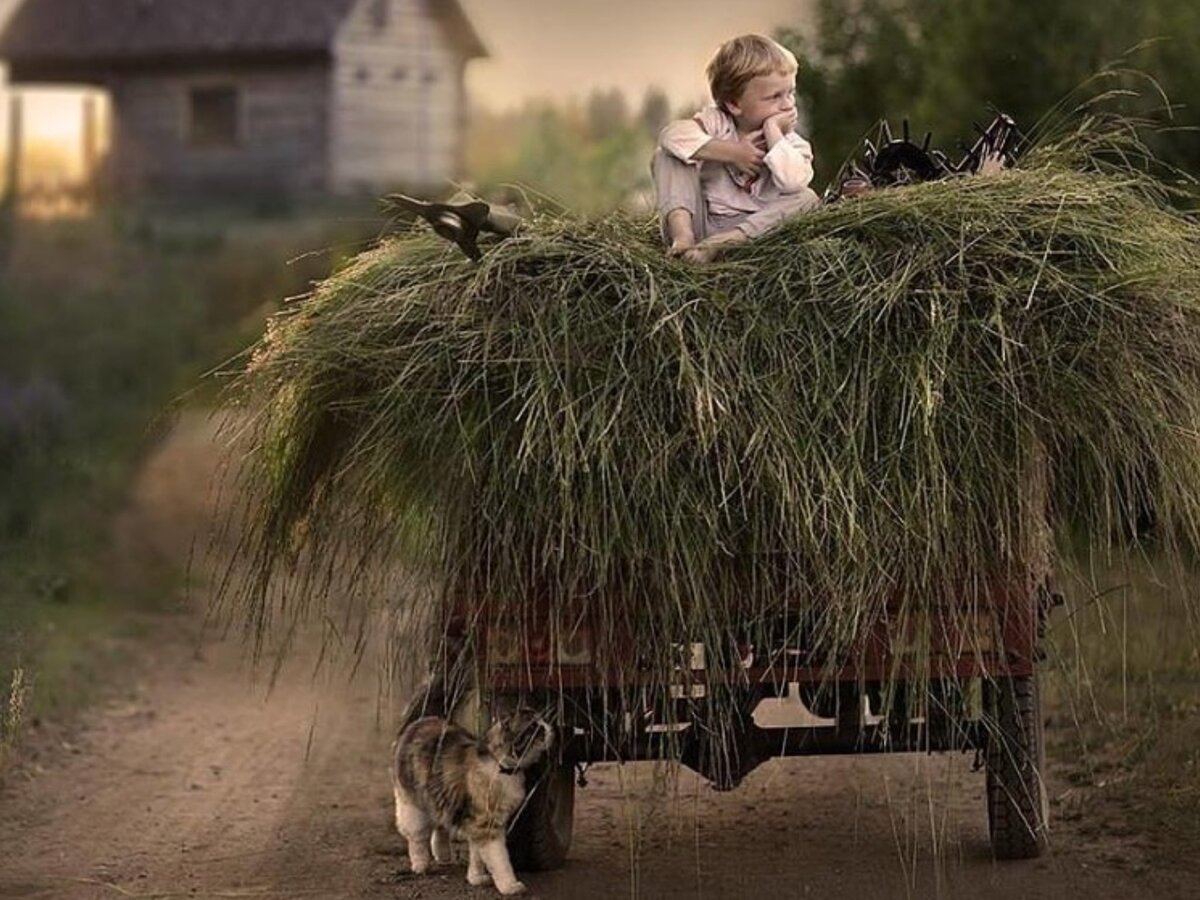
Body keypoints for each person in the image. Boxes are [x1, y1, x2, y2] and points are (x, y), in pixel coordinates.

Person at [654, 34, 820, 264]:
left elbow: (793, 183)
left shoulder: (791, 143)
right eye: (775, 97)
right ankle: (682, 238)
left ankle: (725, 243)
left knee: (807, 198)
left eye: (790, 92)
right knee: (667, 156)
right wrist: (734, 153)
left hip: (755, 232)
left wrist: (773, 132)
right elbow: (670, 135)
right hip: (704, 225)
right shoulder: (716, 123)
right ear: (734, 104)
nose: (788, 104)